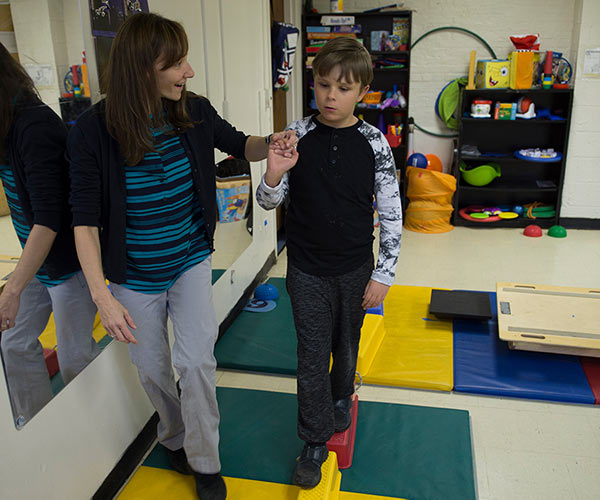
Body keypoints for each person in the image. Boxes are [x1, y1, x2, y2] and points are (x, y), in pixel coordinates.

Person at [66, 13, 295, 500]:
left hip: (190, 259)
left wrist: (271, 145)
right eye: (178, 63)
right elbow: (83, 222)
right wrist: (103, 298)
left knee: (195, 364)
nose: (188, 72)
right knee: (152, 369)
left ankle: (206, 462)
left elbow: (240, 144)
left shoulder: (192, 110)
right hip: (133, 276)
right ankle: (174, 437)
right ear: (142, 68)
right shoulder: (91, 131)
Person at [256, 36, 403, 488]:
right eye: (323, 85)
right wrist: (274, 173)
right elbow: (265, 203)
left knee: (347, 343)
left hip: (356, 267)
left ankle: (343, 395)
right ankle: (315, 439)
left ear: (362, 92)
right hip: (306, 269)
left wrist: (384, 272)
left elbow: (392, 211)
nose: (331, 96)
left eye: (343, 88)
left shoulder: (375, 143)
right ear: (313, 85)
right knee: (311, 354)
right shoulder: (294, 135)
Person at [0, 42, 100, 428]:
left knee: (76, 357)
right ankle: (38, 426)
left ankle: (94, 429)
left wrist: (10, 291)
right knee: (13, 342)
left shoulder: (34, 126)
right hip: (36, 260)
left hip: (66, 262)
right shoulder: (5, 125)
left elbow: (48, 220)